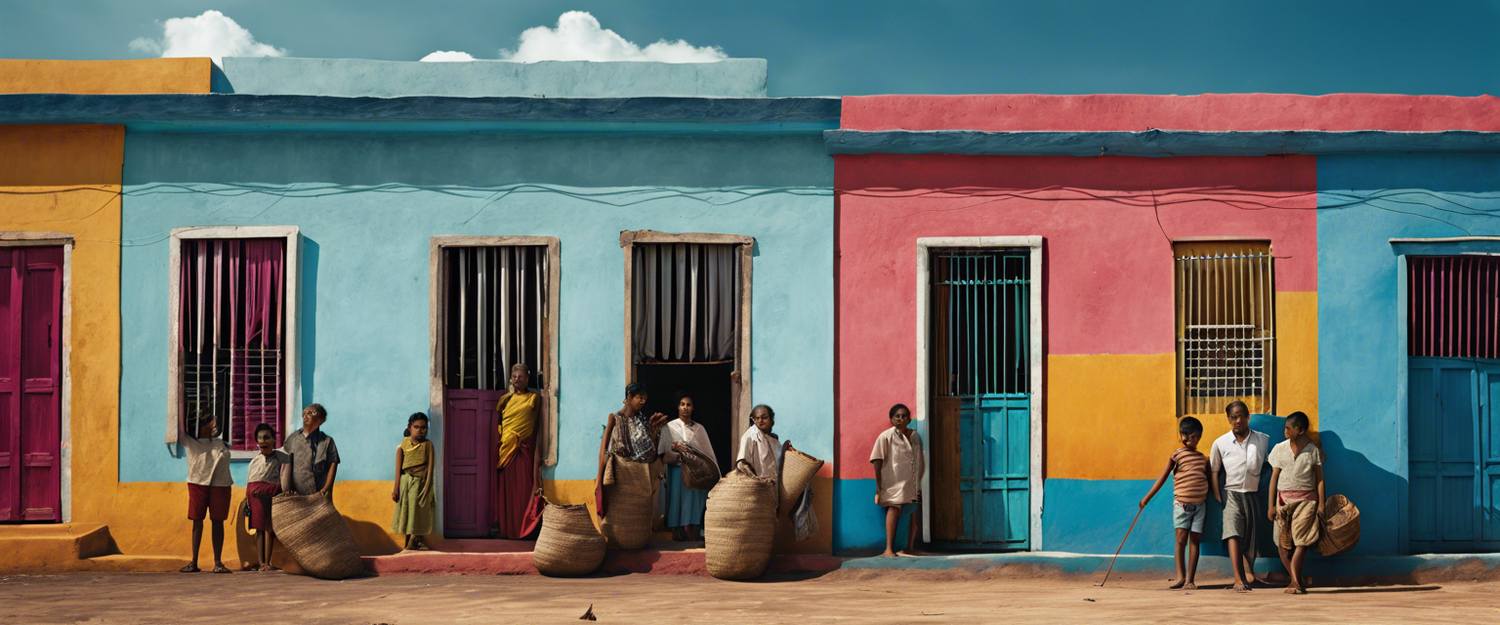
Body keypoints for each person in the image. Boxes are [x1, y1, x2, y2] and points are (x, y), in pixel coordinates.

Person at [1139, 416, 1216, 590]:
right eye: (1186, 436)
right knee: (1181, 540)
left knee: (1195, 541)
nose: (1190, 440)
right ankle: (1180, 577)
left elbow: (1210, 481)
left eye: (1194, 437)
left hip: (1200, 506)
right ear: (1180, 435)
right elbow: (1163, 477)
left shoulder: (1203, 459)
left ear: (1199, 436)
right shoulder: (1177, 455)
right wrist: (1146, 498)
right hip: (1182, 505)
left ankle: (1190, 580)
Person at [1209, 400, 1270, 592]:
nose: (1238, 420)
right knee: (1232, 534)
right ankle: (1238, 579)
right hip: (1231, 493)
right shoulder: (1220, 443)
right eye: (1234, 417)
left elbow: (1271, 467)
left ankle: (1248, 575)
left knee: (1250, 539)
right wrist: (1219, 496)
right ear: (1228, 419)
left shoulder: (1263, 440)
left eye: (1242, 415)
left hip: (1253, 494)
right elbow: (1214, 471)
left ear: (1248, 417)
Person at [1268, 411, 1324, 595]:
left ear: (1300, 430)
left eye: (1289, 428)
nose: (1285, 431)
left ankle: (1295, 582)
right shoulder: (1279, 448)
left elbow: (1320, 479)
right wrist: (1271, 505)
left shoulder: (1312, 450)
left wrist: (1321, 504)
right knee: (1282, 547)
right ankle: (1296, 581)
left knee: (1302, 541)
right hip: (1283, 502)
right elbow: (1274, 478)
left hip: (1307, 501)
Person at [658, 390, 718, 542]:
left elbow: (706, 453)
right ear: (678, 407)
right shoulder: (669, 427)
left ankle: (692, 527)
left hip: (696, 471)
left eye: (688, 405)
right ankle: (678, 529)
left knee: (695, 498)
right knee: (678, 498)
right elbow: (663, 452)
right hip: (677, 469)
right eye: (682, 404)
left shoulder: (699, 429)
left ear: (693, 408)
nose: (685, 407)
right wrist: (677, 452)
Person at [178, 411, 233, 574]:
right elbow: (179, 425)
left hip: (220, 484)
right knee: (197, 521)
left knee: (218, 522)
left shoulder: (220, 442)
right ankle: (194, 561)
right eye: (209, 421)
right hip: (197, 483)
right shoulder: (189, 441)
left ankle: (218, 562)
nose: (213, 424)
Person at [494, 363, 545, 539]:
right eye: (514, 376)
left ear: (527, 379)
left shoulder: (534, 399)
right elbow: (498, 425)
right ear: (510, 378)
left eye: (521, 376)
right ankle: (507, 530)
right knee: (507, 492)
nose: (517, 379)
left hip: (523, 449)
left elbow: (538, 424)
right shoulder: (504, 400)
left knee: (524, 490)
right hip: (506, 450)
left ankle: (525, 529)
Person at [596, 383, 671, 501]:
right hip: (619, 478)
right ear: (629, 396)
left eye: (645, 399)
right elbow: (603, 450)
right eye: (640, 398)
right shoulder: (615, 418)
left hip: (639, 480)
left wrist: (653, 431)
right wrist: (599, 479)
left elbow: (649, 452)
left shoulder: (641, 421)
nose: (642, 402)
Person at [870, 404, 925, 558]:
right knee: (894, 509)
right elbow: (877, 461)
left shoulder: (915, 436)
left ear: (909, 419)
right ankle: (888, 549)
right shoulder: (885, 437)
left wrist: (919, 481)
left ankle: (910, 547)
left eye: (904, 416)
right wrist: (879, 488)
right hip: (893, 482)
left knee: (913, 512)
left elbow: (919, 459)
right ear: (891, 419)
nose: (900, 419)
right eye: (897, 416)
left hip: (912, 481)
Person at [245, 423, 288, 571]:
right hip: (255, 495)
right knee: (259, 528)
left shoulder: (279, 458)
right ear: (256, 441)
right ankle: (261, 562)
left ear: (273, 440)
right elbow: (249, 479)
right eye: (260, 438)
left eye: (267, 438)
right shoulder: (255, 461)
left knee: (270, 529)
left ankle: (268, 563)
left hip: (272, 494)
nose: (263, 441)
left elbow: (284, 475)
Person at [392, 412, 436, 551]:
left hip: (421, 483)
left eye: (424, 427)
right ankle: (409, 540)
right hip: (405, 482)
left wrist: (427, 486)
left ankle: (414, 540)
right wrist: (396, 489)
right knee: (407, 511)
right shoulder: (402, 446)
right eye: (417, 427)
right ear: (409, 427)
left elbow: (430, 467)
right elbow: (398, 469)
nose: (420, 430)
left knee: (418, 511)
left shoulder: (428, 445)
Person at [284, 403, 340, 497]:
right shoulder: (292, 439)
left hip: (321, 493)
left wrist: (326, 488)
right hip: (297, 495)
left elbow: (333, 464)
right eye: (304, 413)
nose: (306, 416)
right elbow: (285, 466)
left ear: (320, 420)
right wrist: (287, 489)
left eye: (310, 413)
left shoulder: (327, 441)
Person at [737, 404, 791, 484]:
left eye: (764, 417)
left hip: (773, 486)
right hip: (758, 487)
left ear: (771, 419)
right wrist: (757, 481)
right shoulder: (750, 437)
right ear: (754, 420)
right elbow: (742, 465)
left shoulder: (774, 441)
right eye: (757, 418)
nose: (760, 421)